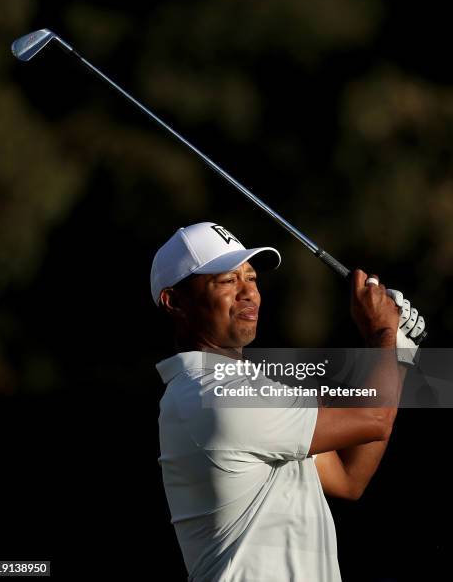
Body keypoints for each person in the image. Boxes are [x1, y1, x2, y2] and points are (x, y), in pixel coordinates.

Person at [151, 221, 425, 582]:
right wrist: (383, 333)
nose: (248, 292)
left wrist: (396, 355)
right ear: (175, 302)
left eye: (251, 278)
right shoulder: (212, 396)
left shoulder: (246, 391)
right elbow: (374, 419)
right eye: (227, 281)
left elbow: (349, 477)